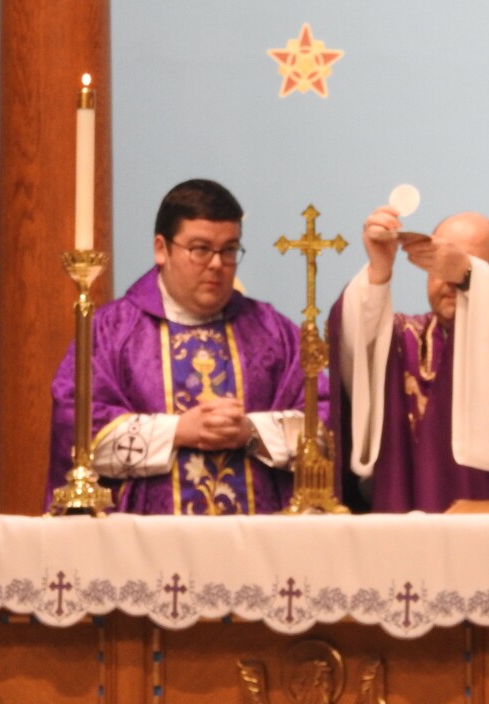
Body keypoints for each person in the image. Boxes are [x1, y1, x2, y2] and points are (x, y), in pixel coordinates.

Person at [48, 179, 307, 514]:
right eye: (200, 249)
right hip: (144, 547)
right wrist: (179, 431)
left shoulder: (271, 332)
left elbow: (323, 426)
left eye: (229, 249)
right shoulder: (113, 331)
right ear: (161, 249)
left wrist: (250, 432)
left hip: (256, 545)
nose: (216, 264)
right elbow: (76, 430)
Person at [328, 206, 489, 513]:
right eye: (437, 265)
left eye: (458, 265)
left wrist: (469, 275)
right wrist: (378, 272)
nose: (447, 280)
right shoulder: (405, 340)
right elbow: (355, 342)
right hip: (404, 524)